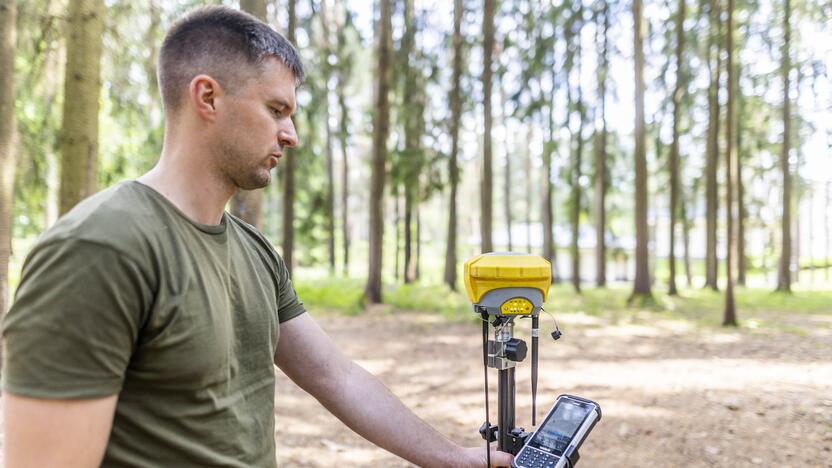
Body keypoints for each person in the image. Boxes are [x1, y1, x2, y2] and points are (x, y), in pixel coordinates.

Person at [1, 6, 513, 468]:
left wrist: (456, 460)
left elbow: (337, 376)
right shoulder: (100, 248)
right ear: (207, 97)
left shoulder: (253, 251)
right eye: (276, 110)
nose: (291, 134)